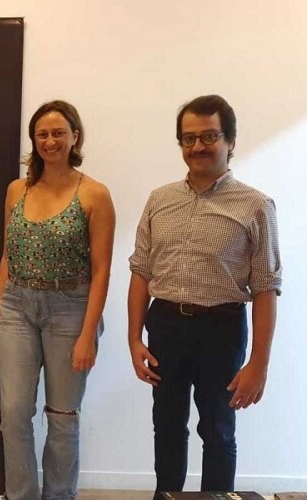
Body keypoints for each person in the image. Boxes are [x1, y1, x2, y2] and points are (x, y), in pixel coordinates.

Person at [128, 95, 281, 498]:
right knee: (167, 425)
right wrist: (133, 339)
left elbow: (266, 288)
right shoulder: (159, 200)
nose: (198, 146)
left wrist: (259, 364)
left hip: (221, 329)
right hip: (165, 325)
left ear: (230, 141)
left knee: (217, 430)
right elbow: (141, 271)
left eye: (209, 136)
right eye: (189, 138)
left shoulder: (256, 206)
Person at [0, 100, 115, 500]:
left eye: (58, 132)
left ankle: (59, 495)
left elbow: (102, 271)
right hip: (17, 307)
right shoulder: (17, 190)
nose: (50, 141)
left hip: (70, 310)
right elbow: (8, 256)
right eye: (42, 134)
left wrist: (88, 335)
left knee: (62, 417)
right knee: (13, 414)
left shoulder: (94, 194)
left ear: (75, 136)